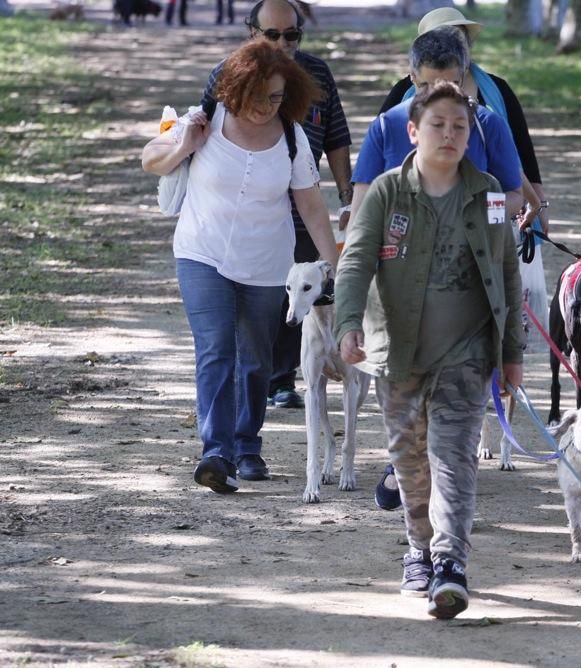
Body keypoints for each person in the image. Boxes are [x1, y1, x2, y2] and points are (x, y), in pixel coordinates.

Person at [335, 81, 524, 619]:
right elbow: (355, 262)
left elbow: (508, 274)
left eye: (459, 126)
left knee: (454, 457)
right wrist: (348, 322)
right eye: (438, 125)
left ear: (470, 134)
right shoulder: (388, 194)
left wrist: (512, 354)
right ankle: (418, 548)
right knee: (410, 461)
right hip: (397, 354)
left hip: (467, 355)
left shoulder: (488, 193)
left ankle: (450, 565)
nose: (449, 134)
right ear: (413, 131)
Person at [142, 40, 339, 492]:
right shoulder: (205, 120)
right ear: (236, 90)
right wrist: (183, 144)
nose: (268, 106)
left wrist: (332, 267)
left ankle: (247, 445)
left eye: (276, 97)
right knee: (216, 349)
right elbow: (149, 158)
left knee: (255, 358)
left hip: (267, 263)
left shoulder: (291, 138)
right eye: (258, 97)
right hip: (202, 252)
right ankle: (216, 452)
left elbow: (311, 206)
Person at [202, 0, 354, 410]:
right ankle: (250, 382)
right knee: (253, 304)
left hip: (302, 207)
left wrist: (346, 195)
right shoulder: (227, 75)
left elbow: (337, 134)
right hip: (246, 213)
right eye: (273, 34)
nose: (283, 43)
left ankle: (283, 378)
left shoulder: (318, 73)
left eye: (291, 35)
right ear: (252, 33)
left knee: (303, 289)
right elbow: (203, 136)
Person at [379, 7, 550, 234]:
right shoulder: (389, 120)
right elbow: (369, 193)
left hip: (483, 241)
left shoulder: (489, 116)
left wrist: (487, 213)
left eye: (458, 40)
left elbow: (517, 161)